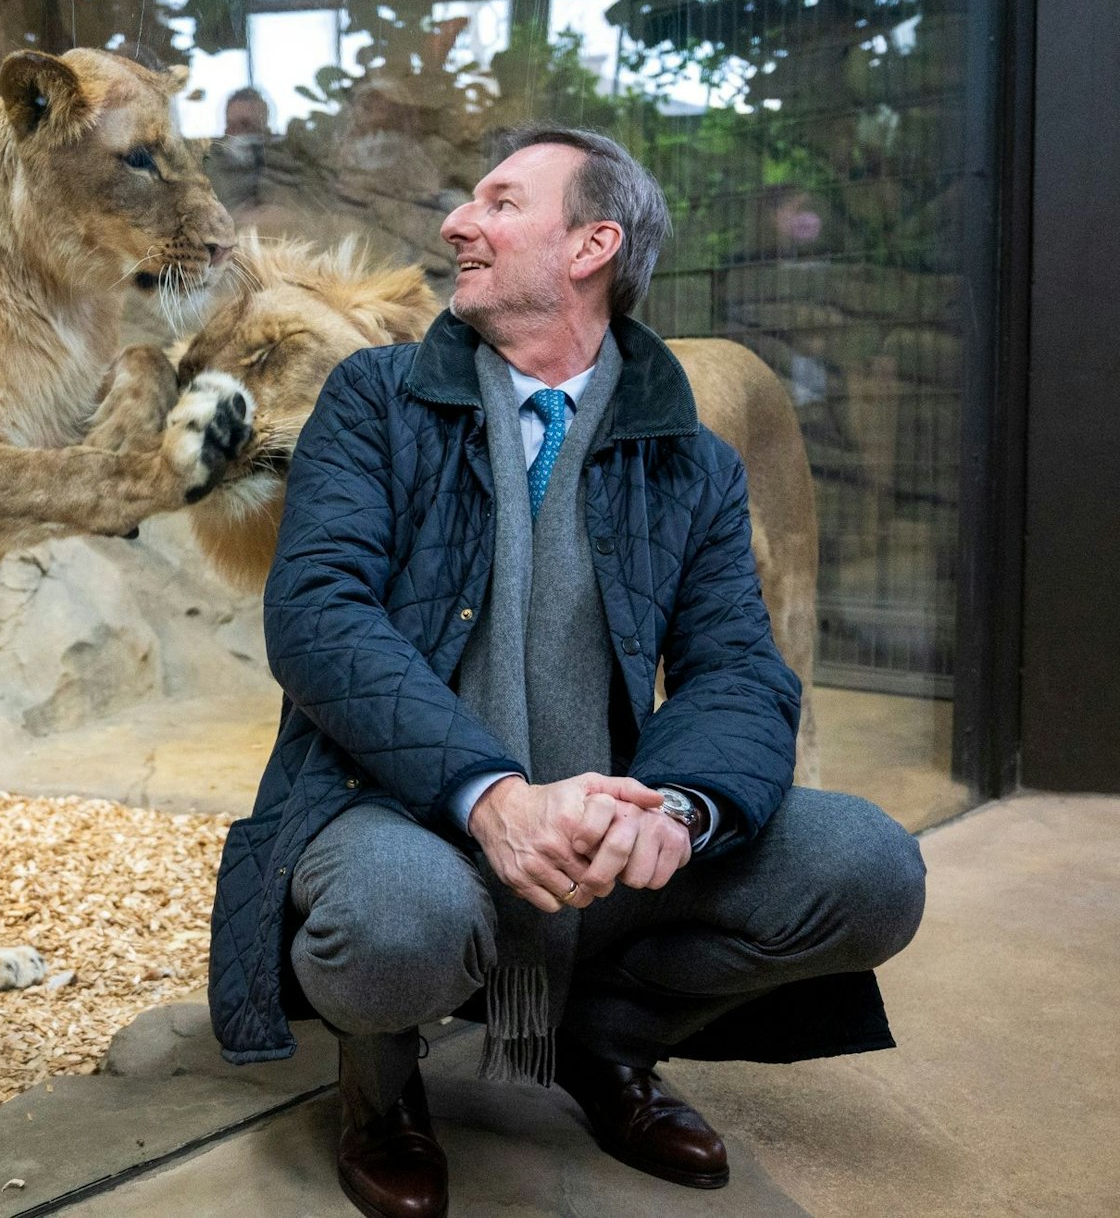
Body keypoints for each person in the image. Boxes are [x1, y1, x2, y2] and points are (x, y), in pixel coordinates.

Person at [206, 125, 927, 1217]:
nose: (457, 223)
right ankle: (381, 1082)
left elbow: (737, 666)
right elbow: (317, 618)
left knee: (874, 868)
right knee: (395, 924)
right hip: (395, 814)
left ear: (592, 244)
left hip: (598, 837)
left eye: (498, 203)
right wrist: (489, 795)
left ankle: (604, 1039)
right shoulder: (373, 400)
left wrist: (676, 811)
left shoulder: (689, 458)